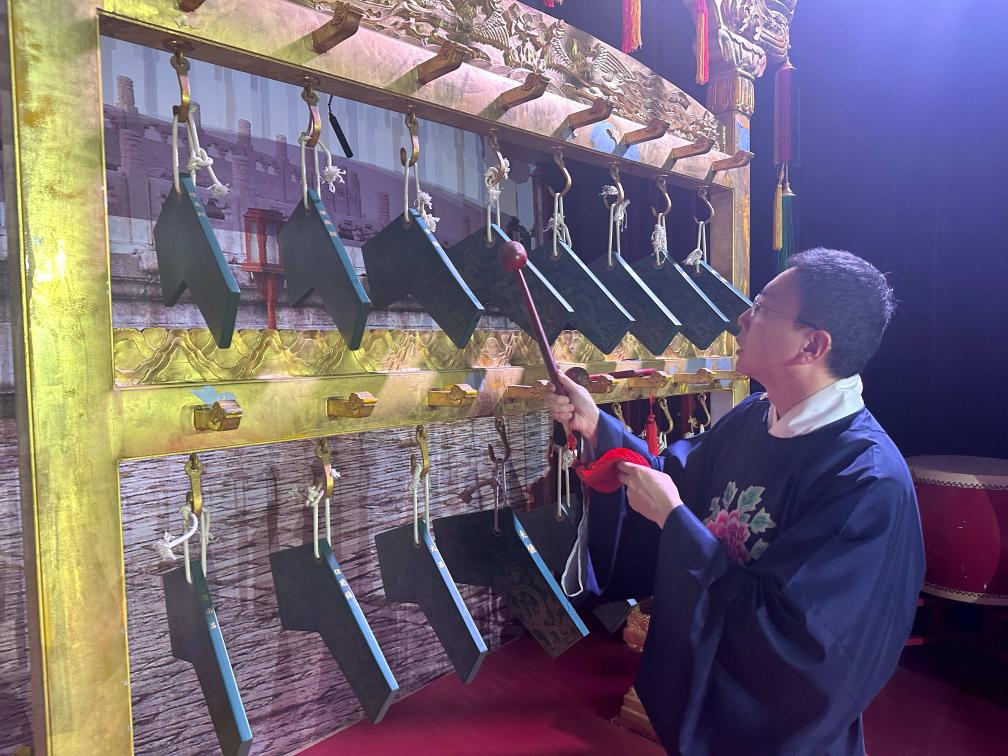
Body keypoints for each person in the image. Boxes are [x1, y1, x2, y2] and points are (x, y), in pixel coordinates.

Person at [545, 248, 924, 755]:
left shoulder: (865, 481)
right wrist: (595, 424)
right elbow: (675, 479)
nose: (742, 318)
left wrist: (674, 522)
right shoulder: (754, 416)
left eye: (763, 308)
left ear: (812, 344)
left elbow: (798, 646)